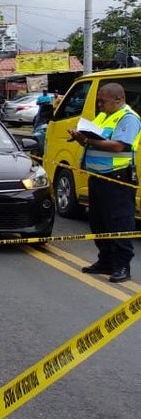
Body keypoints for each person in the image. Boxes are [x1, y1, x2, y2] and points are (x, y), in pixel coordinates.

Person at [69, 82, 140, 283]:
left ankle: (121, 266)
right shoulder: (104, 116)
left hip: (117, 177)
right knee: (98, 221)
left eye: (103, 101)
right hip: (98, 177)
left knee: (119, 222)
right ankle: (106, 260)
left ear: (118, 99)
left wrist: (88, 141)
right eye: (99, 100)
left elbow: (118, 146)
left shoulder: (129, 118)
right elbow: (96, 139)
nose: (99, 104)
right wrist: (80, 138)